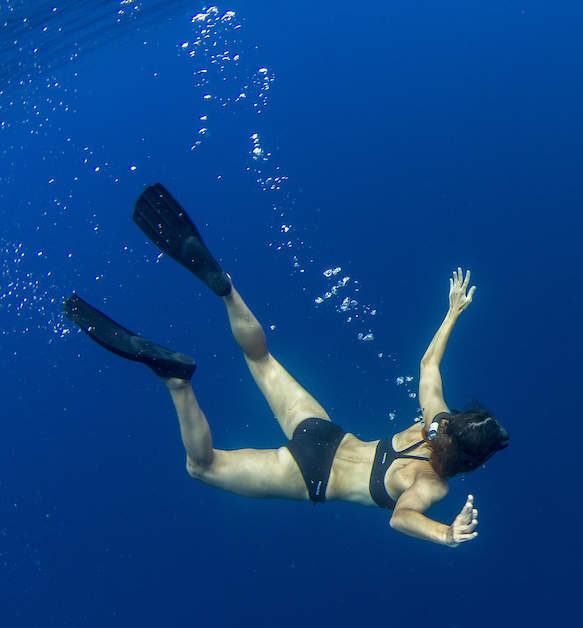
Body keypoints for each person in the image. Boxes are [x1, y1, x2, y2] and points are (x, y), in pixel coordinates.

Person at [64, 183, 508, 546]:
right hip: (308, 473)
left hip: (326, 433)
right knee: (203, 467)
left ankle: (227, 291)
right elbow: (401, 518)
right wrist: (445, 532)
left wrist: (451, 313)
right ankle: (177, 382)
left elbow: (428, 366)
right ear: (472, 461)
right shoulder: (433, 484)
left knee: (259, 357)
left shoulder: (436, 421)